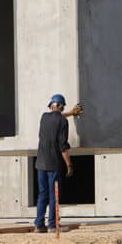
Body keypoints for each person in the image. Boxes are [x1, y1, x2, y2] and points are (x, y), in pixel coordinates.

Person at [34, 94, 82, 233]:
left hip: (40, 164)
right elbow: (63, 146)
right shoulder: (63, 122)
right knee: (54, 195)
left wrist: (71, 113)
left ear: (51, 106)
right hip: (53, 164)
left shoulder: (43, 117)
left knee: (42, 194)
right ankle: (52, 225)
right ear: (61, 106)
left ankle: (39, 225)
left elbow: (55, 117)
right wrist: (69, 164)